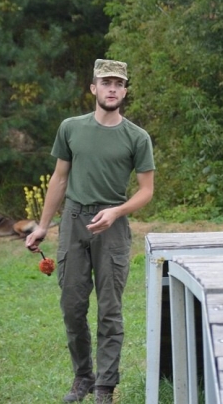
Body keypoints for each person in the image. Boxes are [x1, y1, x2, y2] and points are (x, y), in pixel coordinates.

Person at [25, 59, 155, 403]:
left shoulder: (137, 137)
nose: (112, 88)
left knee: (110, 310)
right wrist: (43, 226)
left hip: (112, 228)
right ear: (94, 88)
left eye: (118, 83)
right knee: (72, 305)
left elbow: (146, 191)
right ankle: (83, 376)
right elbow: (59, 178)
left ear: (124, 91)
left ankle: (105, 387)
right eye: (105, 82)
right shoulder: (71, 128)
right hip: (73, 223)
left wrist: (116, 212)